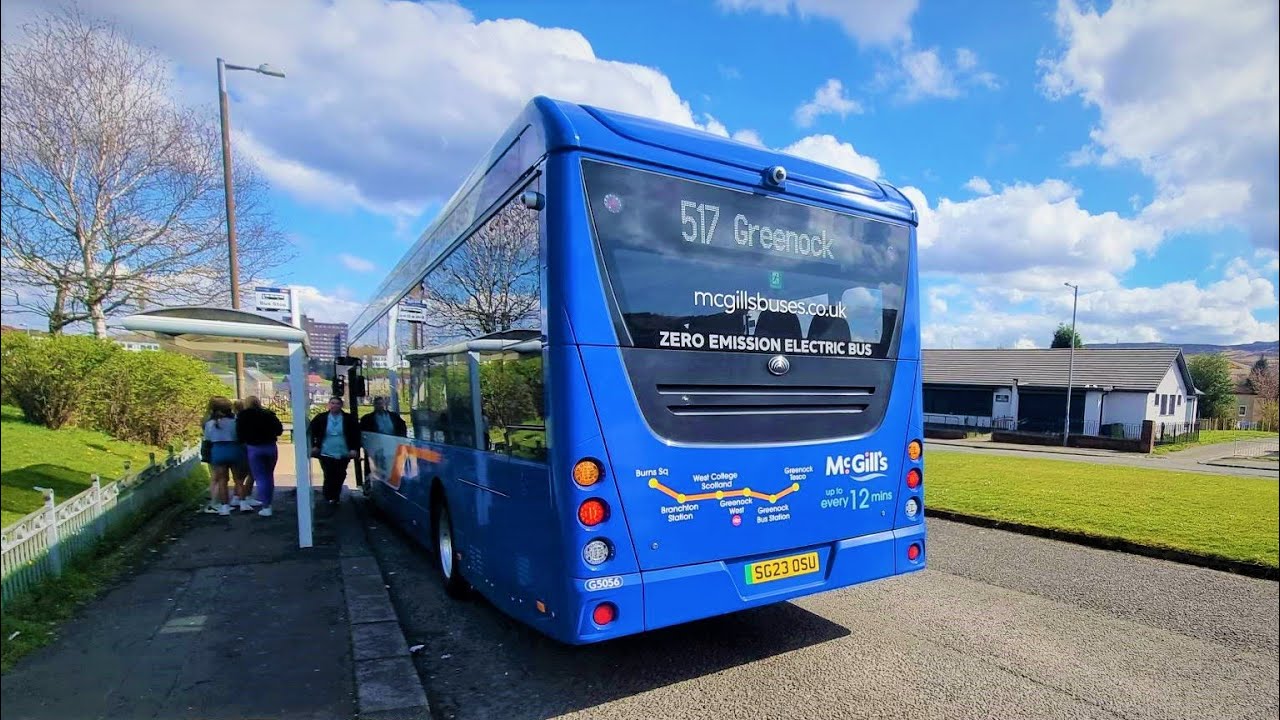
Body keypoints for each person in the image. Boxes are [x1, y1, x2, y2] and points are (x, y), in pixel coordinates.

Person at [237, 395, 284, 517]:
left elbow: (239, 434)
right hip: (270, 447)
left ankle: (266, 507)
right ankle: (268, 502)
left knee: (260, 477)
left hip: (254, 448)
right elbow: (279, 430)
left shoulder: (243, 416)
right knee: (269, 476)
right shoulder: (268, 414)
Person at [309, 396, 360, 505]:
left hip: (343, 452)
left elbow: (356, 435)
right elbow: (311, 432)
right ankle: (329, 496)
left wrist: (354, 449)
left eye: (337, 403)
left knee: (340, 474)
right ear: (329, 405)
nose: (334, 405)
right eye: (332, 403)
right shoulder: (321, 418)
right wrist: (314, 446)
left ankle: (335, 494)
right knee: (329, 474)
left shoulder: (349, 419)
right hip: (326, 451)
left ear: (341, 405)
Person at [202, 397, 242, 516]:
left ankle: (224, 506)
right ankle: (242, 501)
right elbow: (238, 436)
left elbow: (207, 438)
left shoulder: (209, 423)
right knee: (238, 479)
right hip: (233, 450)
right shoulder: (234, 421)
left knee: (222, 480)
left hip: (217, 451)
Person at [229, 399, 256, 512]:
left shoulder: (233, 420)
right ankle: (243, 498)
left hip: (235, 448)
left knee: (238, 477)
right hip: (244, 448)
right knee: (248, 474)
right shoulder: (241, 420)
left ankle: (237, 496)